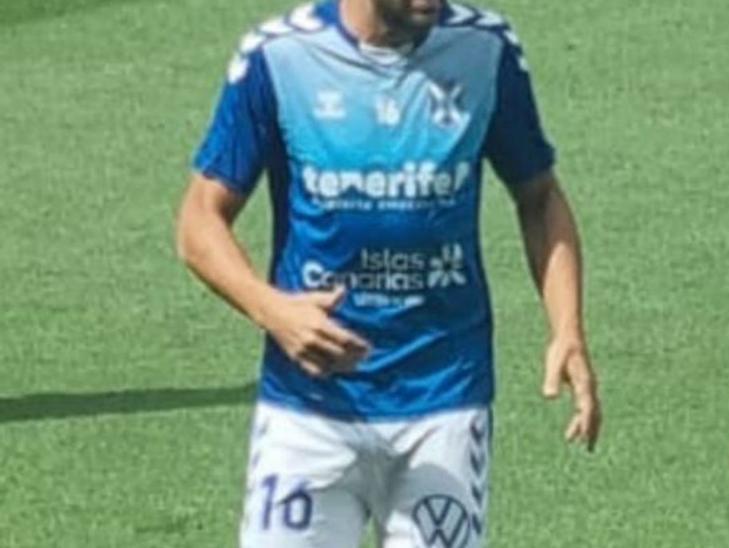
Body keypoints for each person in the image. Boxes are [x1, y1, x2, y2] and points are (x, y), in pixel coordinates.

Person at [175, 1, 601, 546]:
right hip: (307, 408)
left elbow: (538, 196)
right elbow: (198, 219)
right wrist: (272, 309)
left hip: (443, 399)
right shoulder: (281, 55)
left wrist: (567, 329)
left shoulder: (485, 49)